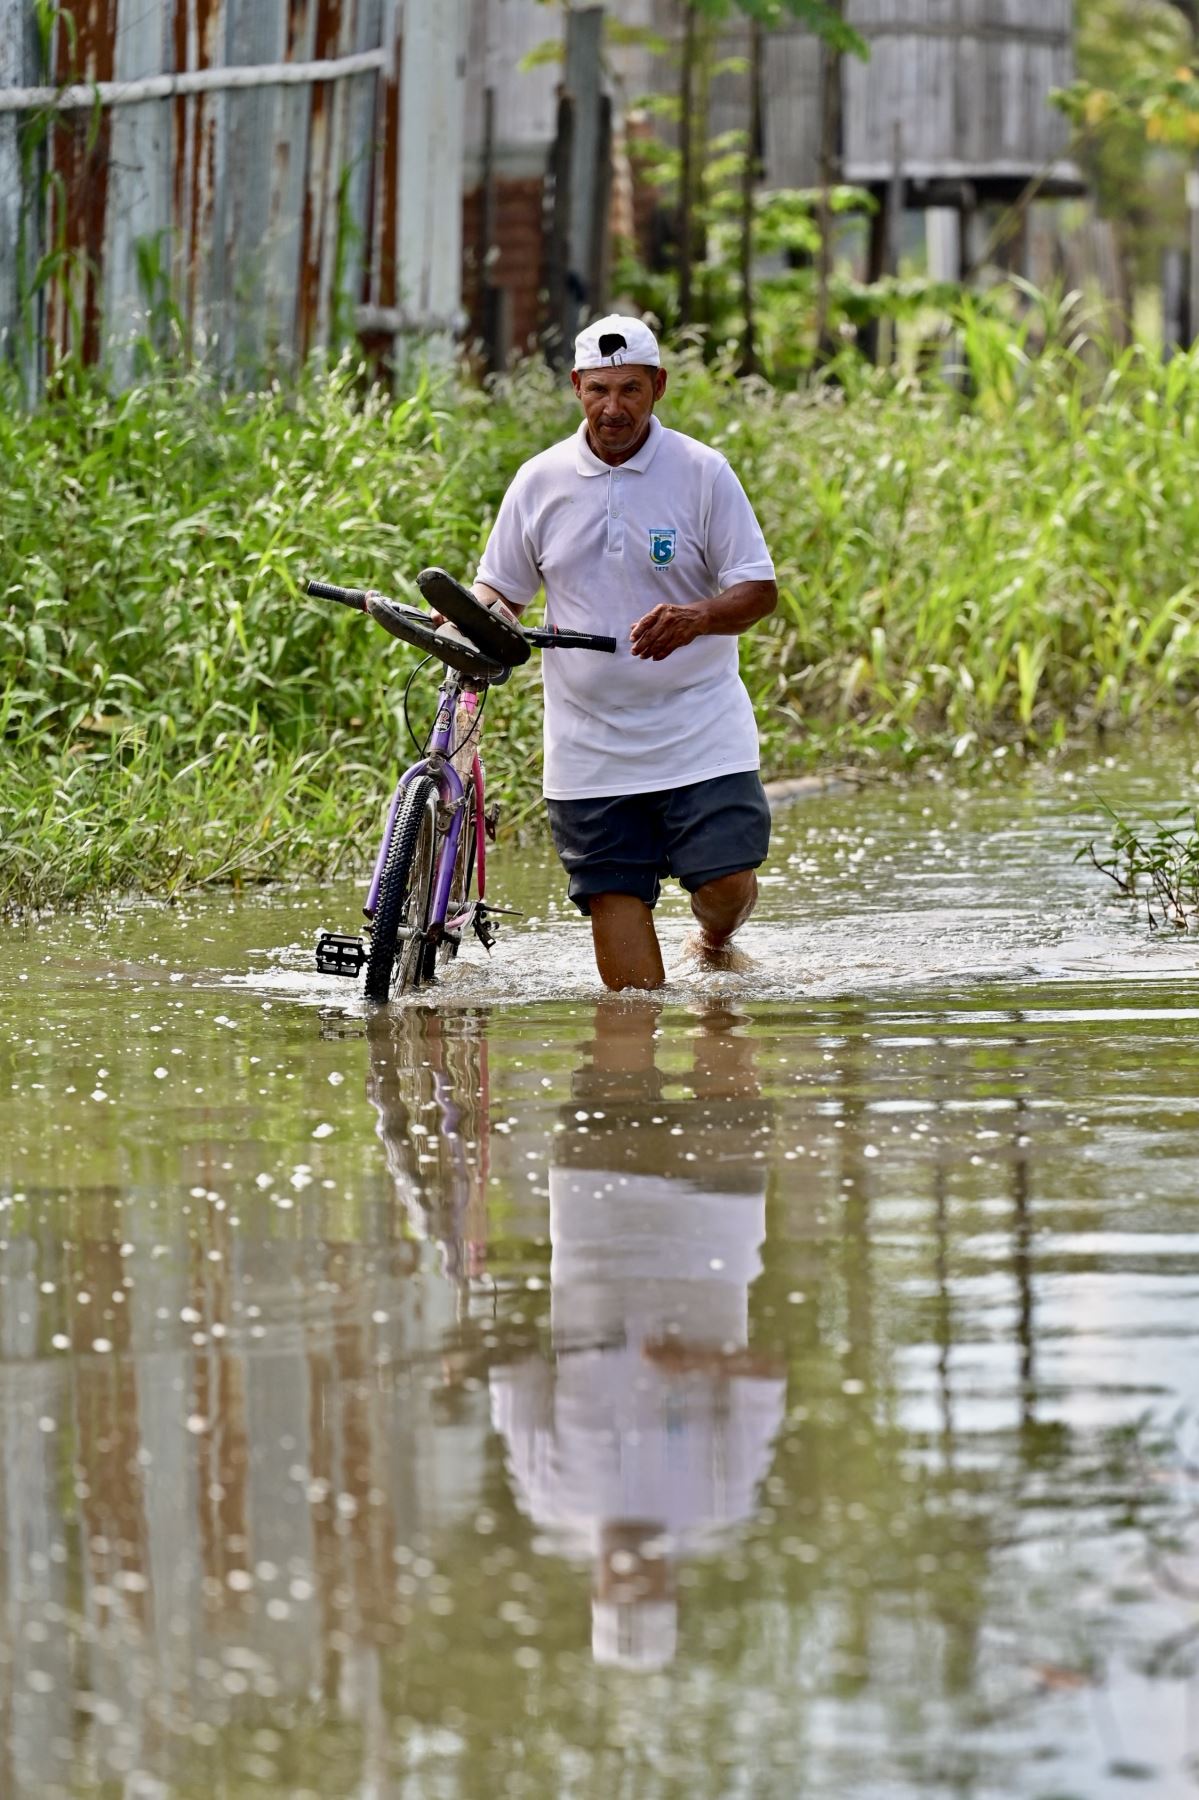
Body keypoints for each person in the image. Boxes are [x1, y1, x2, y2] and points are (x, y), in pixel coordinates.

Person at [469, 313, 778, 991]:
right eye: (599, 389)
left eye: (630, 390)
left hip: (699, 724)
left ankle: (714, 939)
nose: (614, 408)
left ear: (658, 387)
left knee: (726, 880)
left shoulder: (701, 473)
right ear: (577, 386)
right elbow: (501, 588)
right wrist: (471, 614)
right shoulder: (539, 480)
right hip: (588, 741)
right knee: (616, 917)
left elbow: (758, 591)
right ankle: (630, 1088)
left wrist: (696, 616)